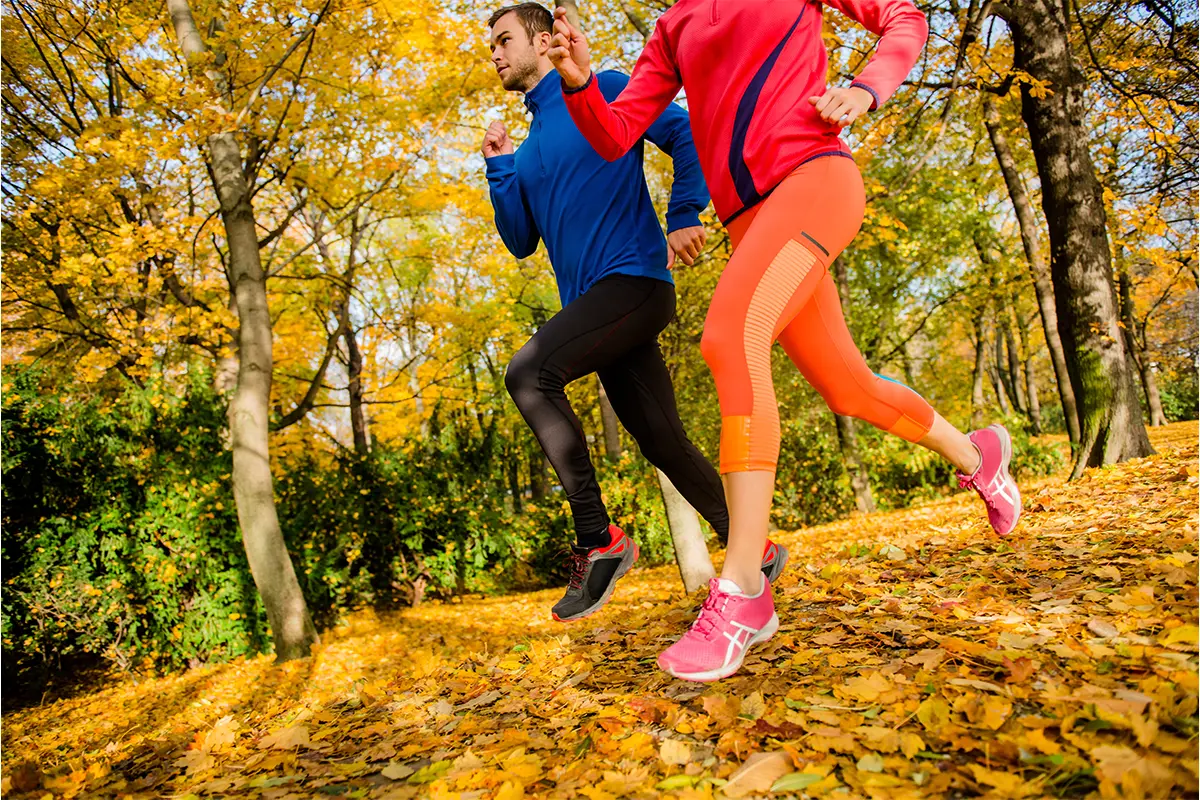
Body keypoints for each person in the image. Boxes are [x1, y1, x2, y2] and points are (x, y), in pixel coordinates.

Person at [548, 0, 1021, 680]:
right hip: (750, 223)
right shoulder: (675, 27)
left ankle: (743, 587)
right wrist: (578, 80)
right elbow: (617, 133)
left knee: (731, 336)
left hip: (815, 182)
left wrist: (864, 88)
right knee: (845, 385)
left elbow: (904, 17)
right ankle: (976, 452)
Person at [482, 2, 790, 623]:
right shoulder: (533, 141)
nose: (494, 53)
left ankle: (600, 541)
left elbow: (684, 134)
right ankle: (753, 547)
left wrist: (682, 216)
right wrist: (498, 166)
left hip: (635, 282)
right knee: (662, 441)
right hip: (598, 308)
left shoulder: (607, 89)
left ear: (544, 42)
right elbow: (520, 240)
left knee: (529, 373)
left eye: (504, 39)